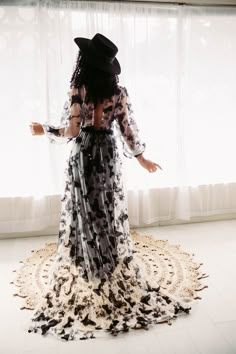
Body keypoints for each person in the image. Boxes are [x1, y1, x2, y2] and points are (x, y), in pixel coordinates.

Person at [29, 33, 190, 341]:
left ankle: (89, 266)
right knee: (107, 211)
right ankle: (109, 264)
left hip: (86, 154)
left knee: (86, 212)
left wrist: (44, 130)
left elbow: (72, 130)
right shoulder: (118, 92)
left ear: (85, 62)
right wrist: (142, 158)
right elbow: (127, 129)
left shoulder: (78, 89)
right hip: (109, 155)